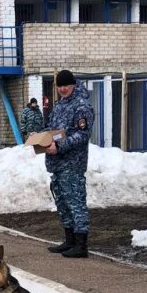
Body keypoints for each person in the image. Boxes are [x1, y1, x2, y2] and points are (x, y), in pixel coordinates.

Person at [43, 69, 94, 258]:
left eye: (66, 85)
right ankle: (70, 239)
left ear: (73, 85)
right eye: (60, 86)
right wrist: (41, 136)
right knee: (63, 203)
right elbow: (56, 130)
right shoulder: (60, 105)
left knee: (75, 203)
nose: (63, 89)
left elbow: (82, 134)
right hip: (57, 163)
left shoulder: (82, 106)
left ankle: (81, 244)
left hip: (73, 163)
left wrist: (60, 146)